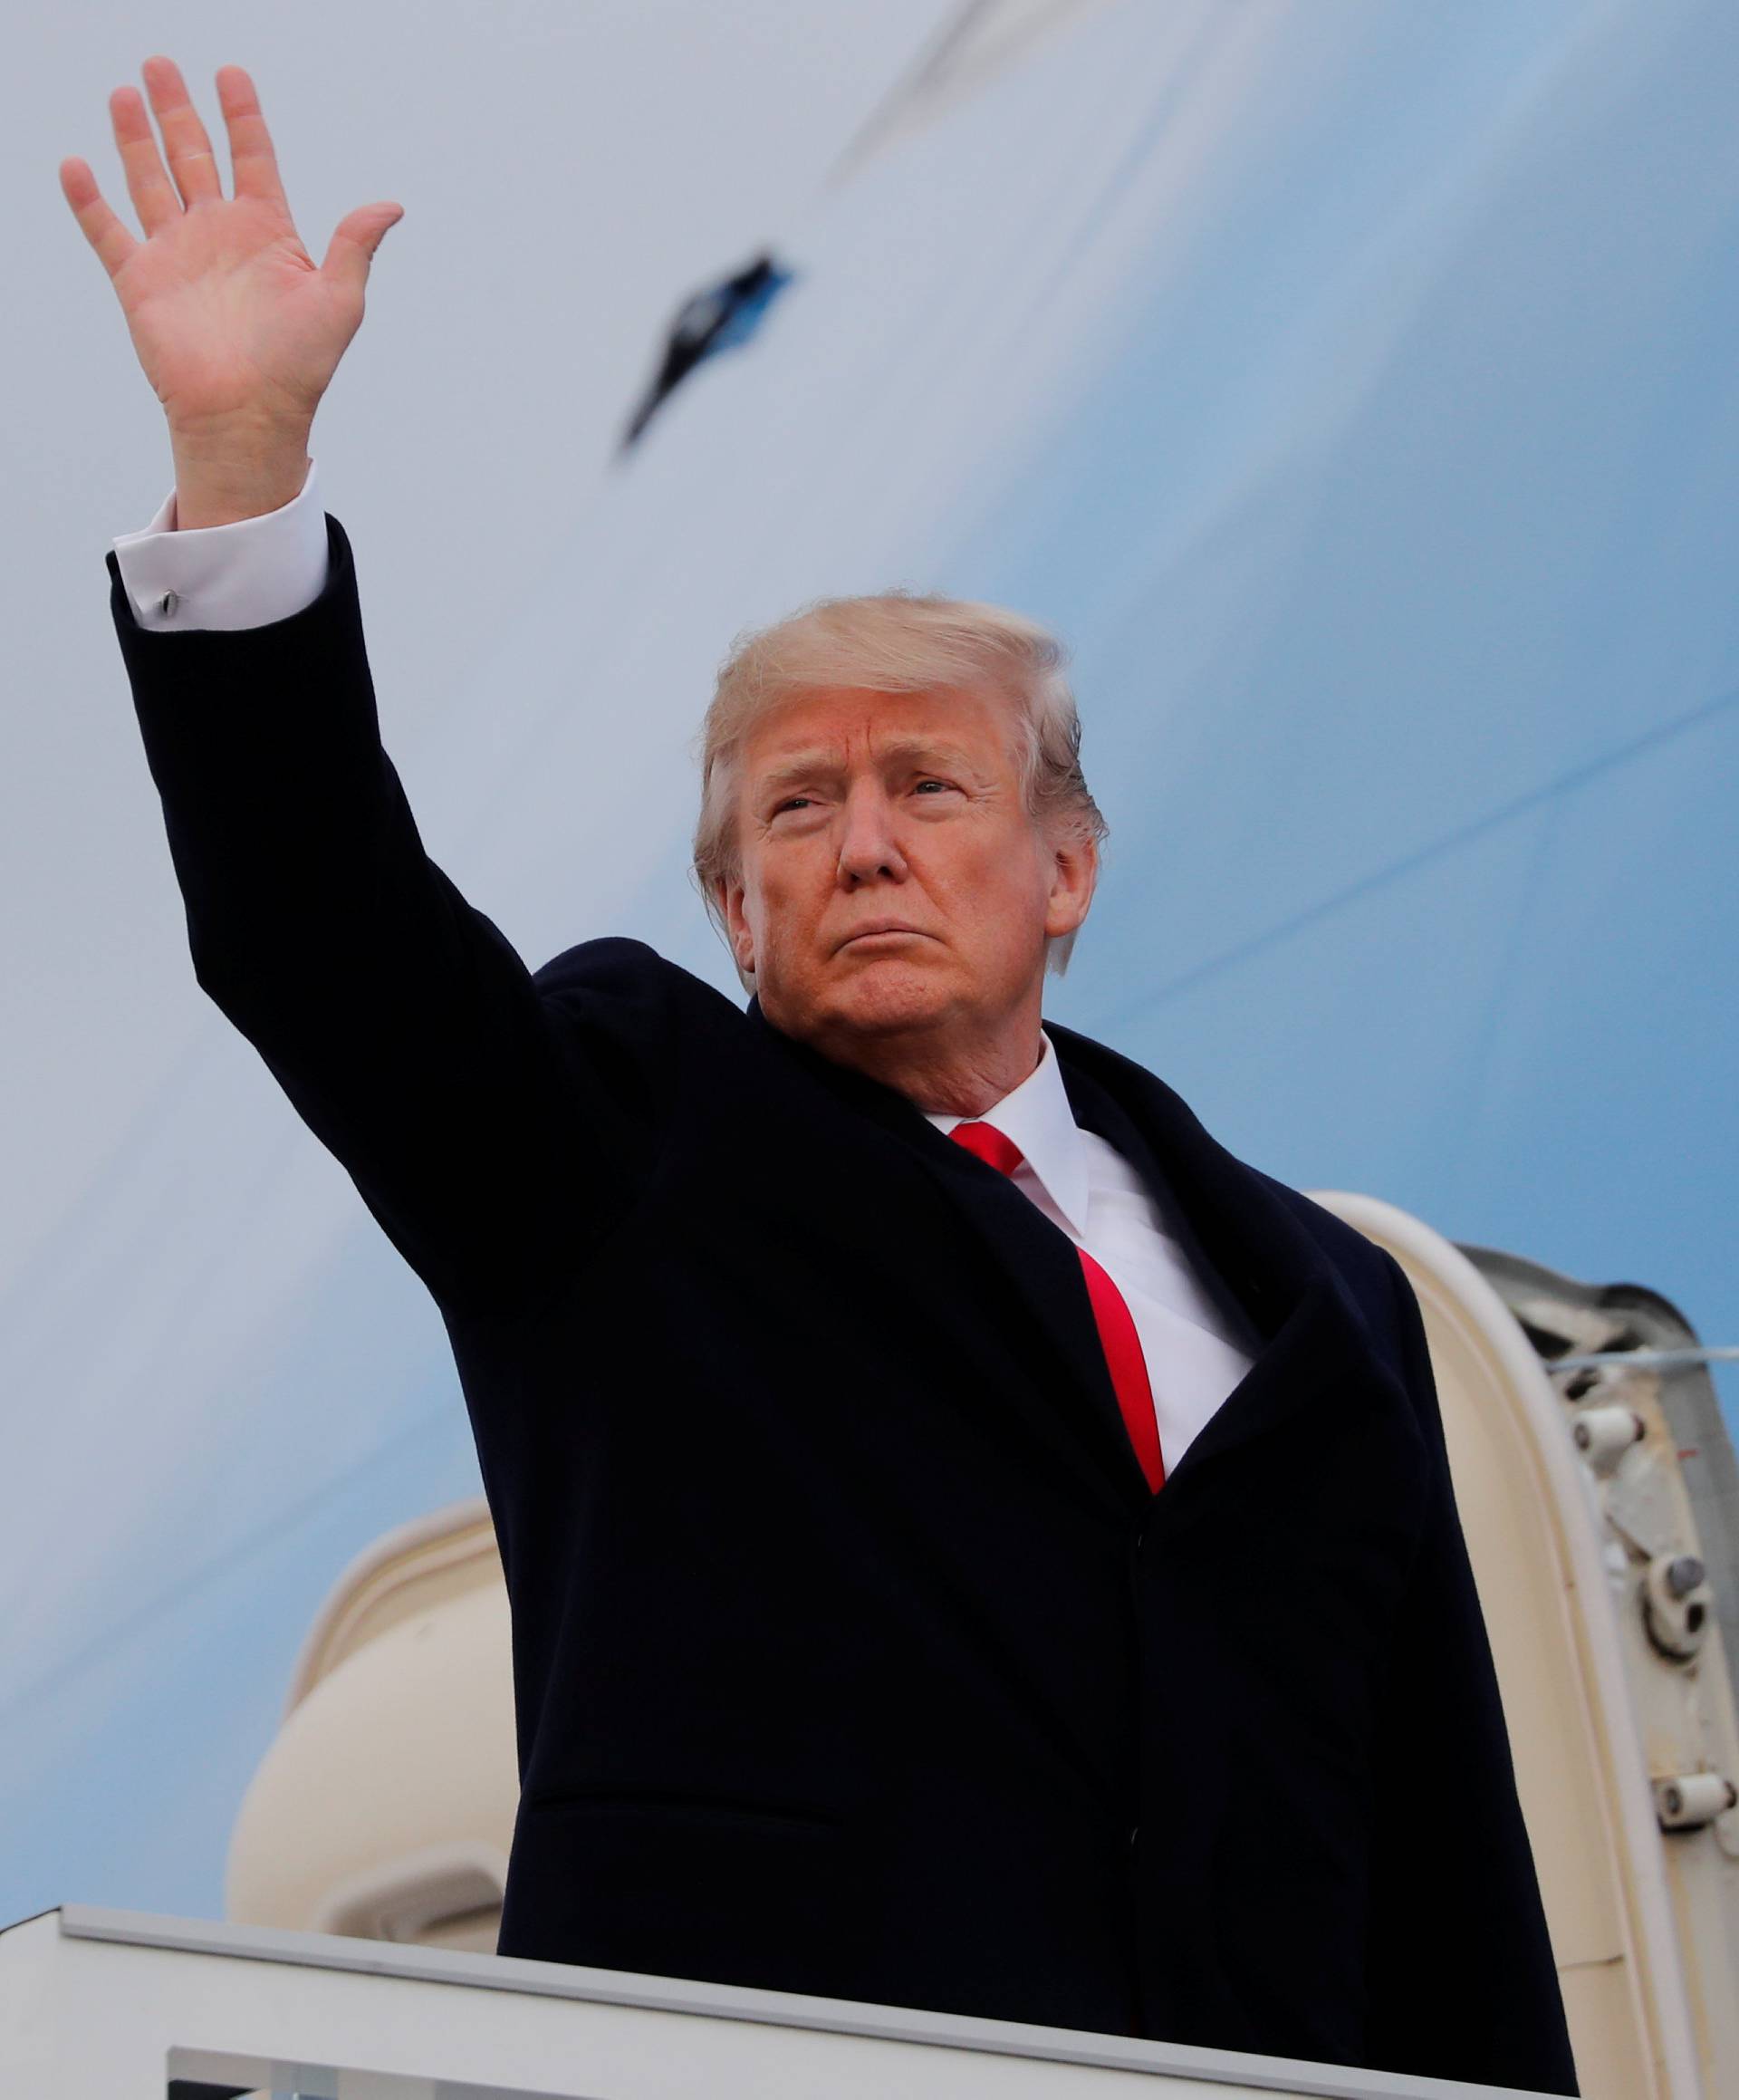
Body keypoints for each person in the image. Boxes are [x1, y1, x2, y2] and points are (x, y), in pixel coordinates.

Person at [62, 56, 1580, 2094]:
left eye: (925, 786)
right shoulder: (626, 1146)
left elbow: (1451, 1878)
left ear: (1067, 868)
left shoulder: (1331, 1302)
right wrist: (239, 474)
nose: (860, 842)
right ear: (734, 910)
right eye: (796, 809)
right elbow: (327, 945)